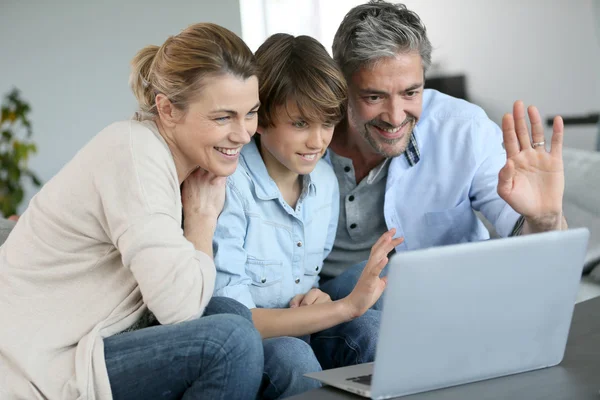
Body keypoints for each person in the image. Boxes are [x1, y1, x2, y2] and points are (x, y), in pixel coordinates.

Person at [0, 23, 265, 400]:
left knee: (232, 314)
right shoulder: (136, 156)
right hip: (41, 365)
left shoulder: (180, 162)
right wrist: (202, 220)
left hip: (94, 336)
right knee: (231, 341)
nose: (243, 133)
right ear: (168, 109)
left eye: (250, 113)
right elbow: (180, 309)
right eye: (223, 117)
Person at [320, 0, 567, 301]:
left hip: (450, 302)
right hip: (332, 308)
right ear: (343, 87)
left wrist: (545, 219)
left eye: (411, 92)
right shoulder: (307, 137)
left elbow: (538, 255)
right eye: (374, 97)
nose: (396, 117)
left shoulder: (464, 130)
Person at [212, 33, 402, 399]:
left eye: (326, 124)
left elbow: (305, 278)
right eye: (300, 124)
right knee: (294, 357)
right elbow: (237, 323)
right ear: (260, 119)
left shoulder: (325, 181)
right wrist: (341, 308)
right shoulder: (229, 186)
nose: (317, 141)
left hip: (302, 320)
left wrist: (318, 298)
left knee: (375, 321)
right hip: (255, 336)